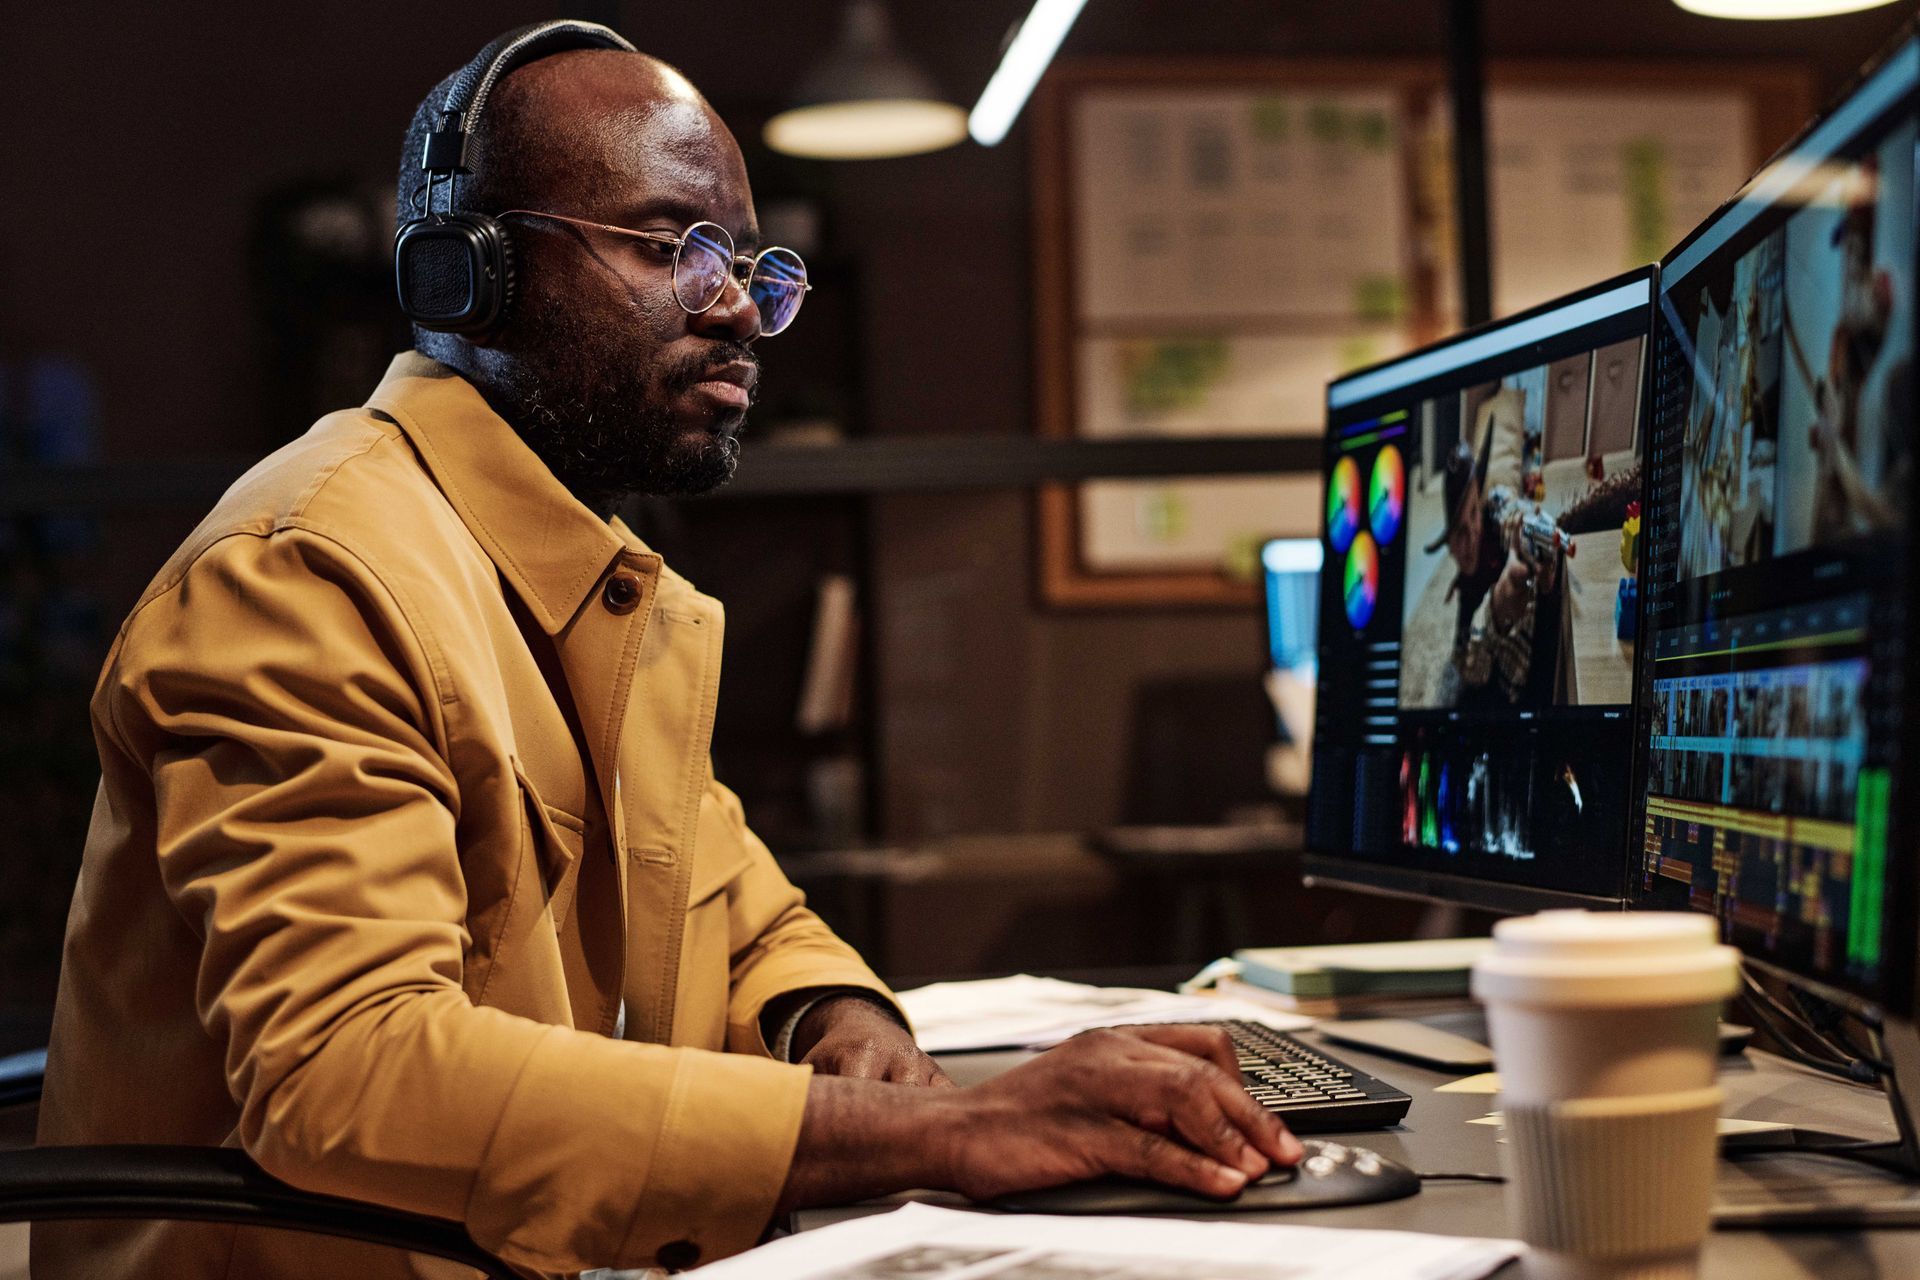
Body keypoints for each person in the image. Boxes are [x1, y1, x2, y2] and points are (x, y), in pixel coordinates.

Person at [32, 25, 1299, 1280]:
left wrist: (834, 1013)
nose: (740, 302)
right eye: (670, 245)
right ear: (467, 278)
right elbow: (347, 1078)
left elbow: (744, 910)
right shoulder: (305, 574)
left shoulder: (584, 572)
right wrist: (938, 1127)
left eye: (751, 261)